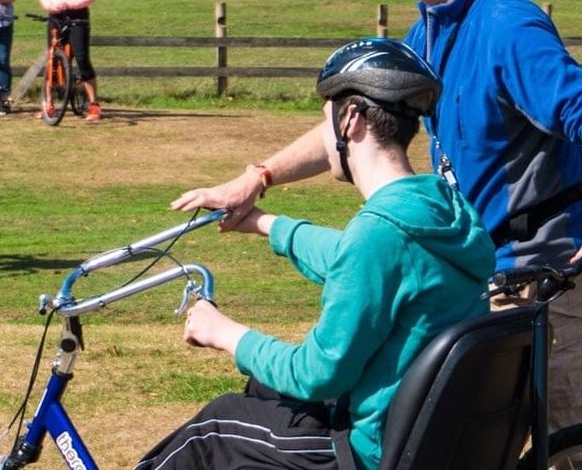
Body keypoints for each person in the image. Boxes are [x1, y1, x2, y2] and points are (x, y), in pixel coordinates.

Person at [172, 0, 582, 447]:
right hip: (482, 267)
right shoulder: (430, 29)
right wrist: (257, 178)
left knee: (576, 436)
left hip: (543, 270)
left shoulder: (508, 28)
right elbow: (352, 125)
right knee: (461, 438)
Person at [142, 38, 495, 470]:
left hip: (369, 449)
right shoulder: (439, 207)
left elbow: (318, 372)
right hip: (428, 435)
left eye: (323, 119)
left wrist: (225, 333)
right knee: (264, 389)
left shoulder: (380, 233)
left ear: (350, 120)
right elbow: (352, 259)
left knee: (214, 430)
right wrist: (263, 222)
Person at [37, 0, 100, 121]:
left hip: (77, 16)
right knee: (52, 59)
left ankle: (94, 104)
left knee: (81, 58)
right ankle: (48, 103)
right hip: (55, 15)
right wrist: (50, 4)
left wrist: (69, 3)